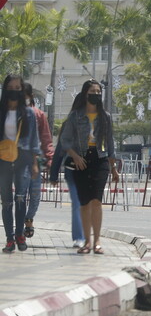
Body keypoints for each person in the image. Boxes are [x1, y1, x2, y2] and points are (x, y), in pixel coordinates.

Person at [60, 80, 119, 254]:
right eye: (93, 91)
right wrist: (75, 156)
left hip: (100, 160)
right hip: (81, 160)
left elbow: (110, 142)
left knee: (96, 201)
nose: (96, 95)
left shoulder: (105, 116)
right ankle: (87, 241)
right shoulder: (75, 116)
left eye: (99, 92)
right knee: (84, 203)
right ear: (86, 94)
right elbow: (65, 140)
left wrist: (113, 167)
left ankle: (97, 241)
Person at [1, 75, 40, 253]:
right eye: (11, 87)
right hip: (3, 159)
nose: (14, 90)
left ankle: (20, 235)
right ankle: (9, 238)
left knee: (20, 198)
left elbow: (34, 140)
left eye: (18, 87)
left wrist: (34, 163)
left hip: (23, 158)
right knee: (7, 201)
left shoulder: (29, 113)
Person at [49, 95, 86, 248]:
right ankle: (79, 237)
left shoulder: (98, 121)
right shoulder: (69, 123)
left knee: (89, 204)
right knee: (77, 203)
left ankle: (88, 237)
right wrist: (54, 173)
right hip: (72, 169)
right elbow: (60, 150)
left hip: (92, 170)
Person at [23, 83, 54, 238]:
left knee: (35, 194)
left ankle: (29, 219)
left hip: (35, 162)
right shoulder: (11, 114)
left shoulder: (39, 115)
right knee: (20, 195)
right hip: (18, 162)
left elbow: (46, 138)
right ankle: (20, 226)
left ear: (31, 97)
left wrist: (50, 158)